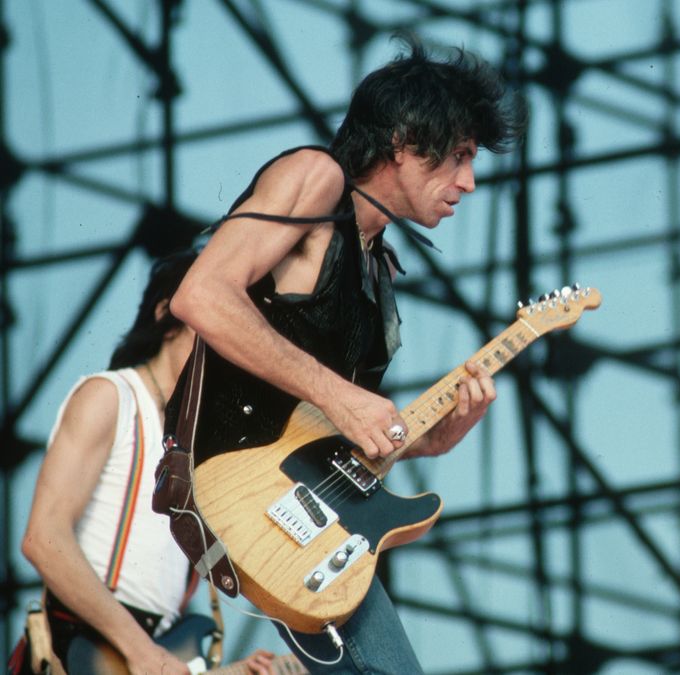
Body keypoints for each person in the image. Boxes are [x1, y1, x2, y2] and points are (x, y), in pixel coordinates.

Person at [161, 35, 525, 674]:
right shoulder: (314, 178)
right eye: (460, 156)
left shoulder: (378, 268)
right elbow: (203, 295)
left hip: (301, 522)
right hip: (234, 487)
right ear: (405, 140)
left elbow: (321, 436)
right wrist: (340, 395)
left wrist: (426, 440)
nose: (469, 182)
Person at [18, 250, 274, 675]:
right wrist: (139, 650)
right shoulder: (110, 396)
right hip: (85, 645)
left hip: (152, 649)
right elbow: (43, 539)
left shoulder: (201, 450)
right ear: (166, 313)